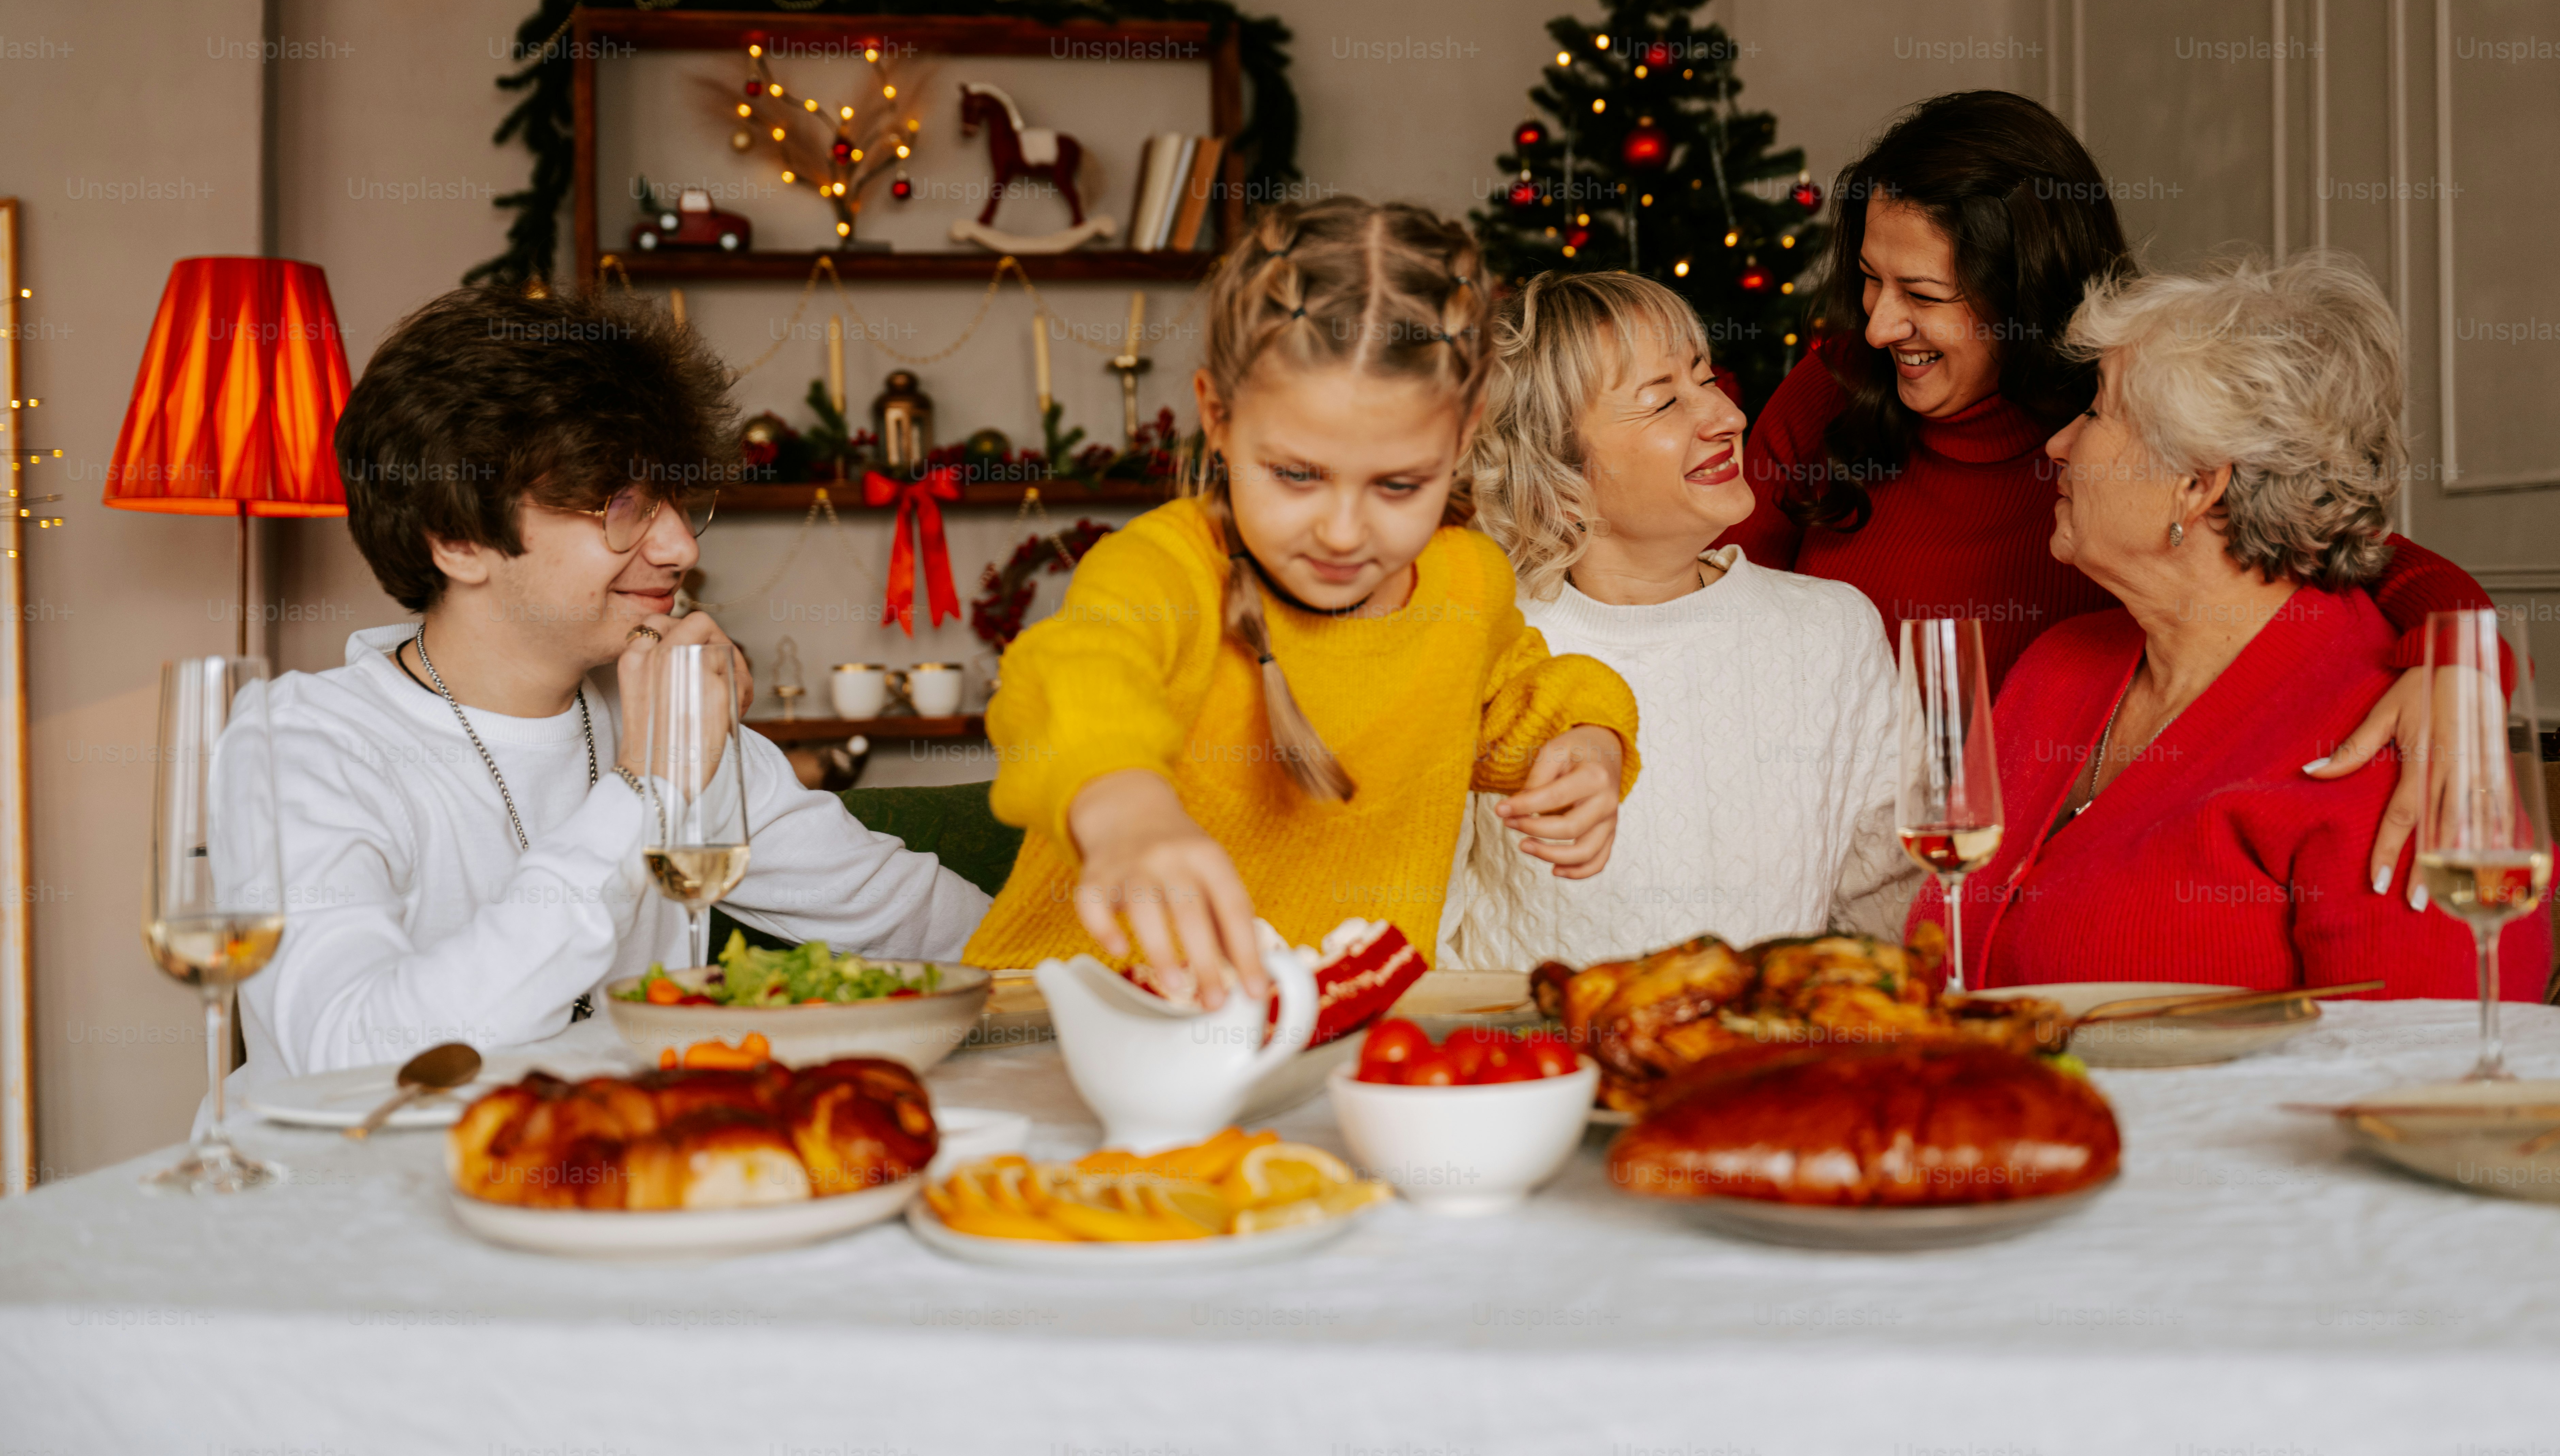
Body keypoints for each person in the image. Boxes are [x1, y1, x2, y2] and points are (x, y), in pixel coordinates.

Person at [1725, 90, 2496, 901]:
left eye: (1922, 294)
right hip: (1815, 852)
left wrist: (2463, 668)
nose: (1880, 326)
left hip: (2020, 871)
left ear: (2019, 293)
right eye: (1870, 282)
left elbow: (2348, 547)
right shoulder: (1834, 392)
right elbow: (1712, 599)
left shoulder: (2115, 437)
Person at [221, 288, 993, 1084]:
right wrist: (645, 788)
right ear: (456, 538)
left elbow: (928, 924)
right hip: (356, 1198)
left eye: (678, 502)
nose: (681, 546)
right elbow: (353, 1056)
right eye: (623, 505)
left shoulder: (657, 707)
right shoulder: (302, 744)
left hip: (612, 1183)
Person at [965, 200, 1640, 999]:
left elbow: (1517, 700)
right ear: (1217, 417)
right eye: (1296, 475)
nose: (1345, 532)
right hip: (1064, 1031)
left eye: (1398, 484)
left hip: (1322, 1046)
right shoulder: (1168, 566)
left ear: (1462, 440)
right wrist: (1124, 810)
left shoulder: (1468, 579)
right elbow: (1074, 673)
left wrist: (1591, 740)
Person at [1912, 252, 2550, 997]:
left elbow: (2429, 1071)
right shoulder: (2056, 669)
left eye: (2095, 411)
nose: (2057, 444)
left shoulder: (2382, 738)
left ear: (2196, 484)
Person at [1444, 271, 1911, 967]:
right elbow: (1418, 924)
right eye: (1663, 402)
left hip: (1758, 1069)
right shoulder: (1481, 639)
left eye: (1706, 378)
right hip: (1534, 1071)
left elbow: (1894, 918)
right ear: (1560, 480)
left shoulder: (1832, 633)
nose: (1726, 417)